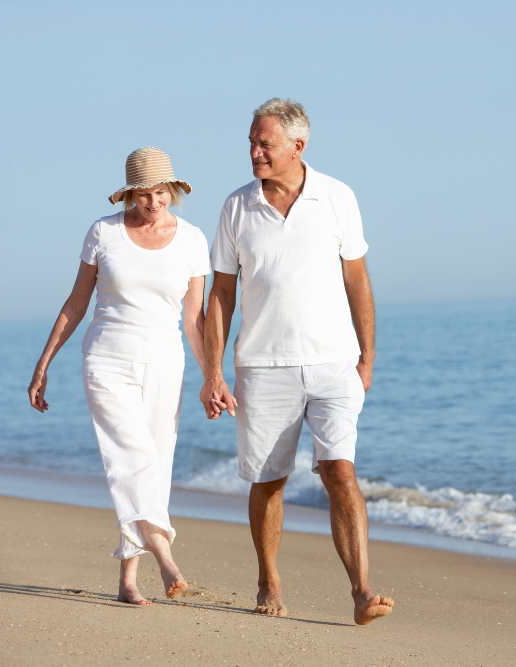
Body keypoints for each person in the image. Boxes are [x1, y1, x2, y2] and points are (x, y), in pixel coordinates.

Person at [201, 98, 394, 625]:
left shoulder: (338, 197)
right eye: (251, 142)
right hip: (262, 366)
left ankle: (360, 591)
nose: (254, 152)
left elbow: (358, 279)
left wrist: (367, 359)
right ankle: (268, 580)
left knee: (340, 471)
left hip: (335, 363)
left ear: (297, 147)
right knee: (269, 481)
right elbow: (220, 294)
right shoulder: (236, 207)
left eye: (264, 143)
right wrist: (213, 372)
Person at [28, 147, 211, 605]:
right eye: (144, 194)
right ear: (129, 194)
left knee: (155, 463)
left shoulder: (192, 240)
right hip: (107, 360)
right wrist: (43, 363)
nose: (154, 202)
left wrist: (214, 378)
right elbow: (76, 304)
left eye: (161, 192)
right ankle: (166, 557)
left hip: (166, 363)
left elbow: (194, 320)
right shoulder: (103, 232)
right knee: (130, 457)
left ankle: (128, 580)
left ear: (174, 190)